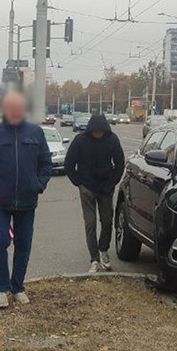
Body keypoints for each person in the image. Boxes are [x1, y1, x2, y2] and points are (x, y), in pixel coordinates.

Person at [0, 91, 52, 308]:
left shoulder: (35, 133)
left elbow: (46, 163)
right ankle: (1, 288)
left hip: (27, 201)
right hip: (0, 201)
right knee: (0, 241)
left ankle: (18, 287)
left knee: (23, 244)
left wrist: (39, 184)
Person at [65, 113, 126, 273]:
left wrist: (112, 182)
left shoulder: (112, 139)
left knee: (107, 221)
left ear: (105, 129)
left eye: (101, 131)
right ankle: (94, 259)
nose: (98, 133)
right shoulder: (80, 140)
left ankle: (104, 250)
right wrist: (78, 183)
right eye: (95, 131)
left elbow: (119, 163)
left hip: (106, 188)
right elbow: (69, 163)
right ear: (90, 129)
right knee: (90, 224)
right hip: (87, 188)